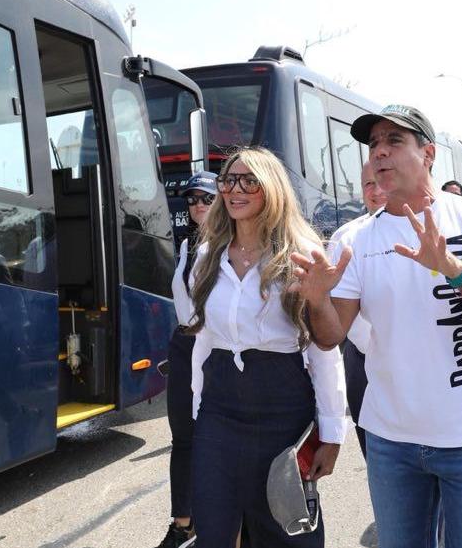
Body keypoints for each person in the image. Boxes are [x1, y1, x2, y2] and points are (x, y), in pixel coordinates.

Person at [291, 104, 462, 548]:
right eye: (373, 145)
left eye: (394, 141)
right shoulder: (355, 239)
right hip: (392, 443)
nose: (379, 153)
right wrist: (316, 299)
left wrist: (455, 270)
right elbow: (329, 336)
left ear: (428, 153)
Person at [186, 148, 348, 548]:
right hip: (219, 410)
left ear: (272, 188)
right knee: (214, 528)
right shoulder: (208, 256)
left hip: (282, 410)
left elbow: (322, 350)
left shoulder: (303, 252)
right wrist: (197, 405)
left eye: (248, 181)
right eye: (228, 180)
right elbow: (204, 339)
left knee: (285, 529)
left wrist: (331, 431)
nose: (233, 190)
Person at [158, 171, 218, 548]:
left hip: (215, 346)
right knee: (183, 439)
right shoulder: (186, 247)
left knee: (215, 439)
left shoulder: (232, 245)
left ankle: (224, 521)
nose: (197, 205)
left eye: (206, 198)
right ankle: (183, 523)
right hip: (184, 345)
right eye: (193, 199)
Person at [334, 160, 387, 456]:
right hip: (361, 356)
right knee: (373, 444)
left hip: (410, 359)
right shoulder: (345, 238)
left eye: (381, 182)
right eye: (368, 184)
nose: (376, 191)